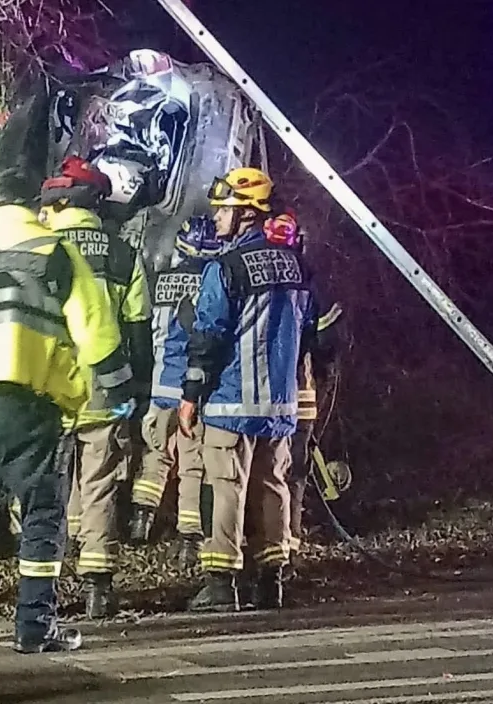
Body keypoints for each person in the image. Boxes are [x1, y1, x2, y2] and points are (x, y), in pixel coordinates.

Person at [0, 167, 129, 652]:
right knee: (41, 514)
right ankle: (35, 627)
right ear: (36, 206)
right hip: (32, 399)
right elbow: (96, 329)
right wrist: (119, 391)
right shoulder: (56, 253)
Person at [178, 167, 316, 612]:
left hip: (230, 401)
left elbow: (209, 334)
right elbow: (311, 329)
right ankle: (271, 583)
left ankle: (221, 585)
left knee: (225, 488)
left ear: (247, 214)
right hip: (278, 405)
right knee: (273, 487)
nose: (218, 218)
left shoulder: (226, 267)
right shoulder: (296, 264)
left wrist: (191, 394)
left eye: (225, 210)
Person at [41, 156, 152, 619]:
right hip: (106, 386)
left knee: (48, 482)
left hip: (49, 381)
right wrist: (137, 388)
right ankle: (98, 586)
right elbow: (139, 327)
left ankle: (45, 580)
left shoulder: (39, 247)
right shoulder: (123, 253)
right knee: (100, 480)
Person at [129, 216, 223, 569]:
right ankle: (189, 536)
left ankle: (140, 521)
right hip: (190, 390)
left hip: (159, 385)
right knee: (192, 465)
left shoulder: (161, 280)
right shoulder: (212, 280)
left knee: (156, 455)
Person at [261, 210, 343, 560]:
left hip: (262, 396)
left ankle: (266, 553)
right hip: (300, 395)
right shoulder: (307, 287)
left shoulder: (254, 280)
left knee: (264, 476)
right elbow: (326, 344)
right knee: (291, 477)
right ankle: (286, 551)